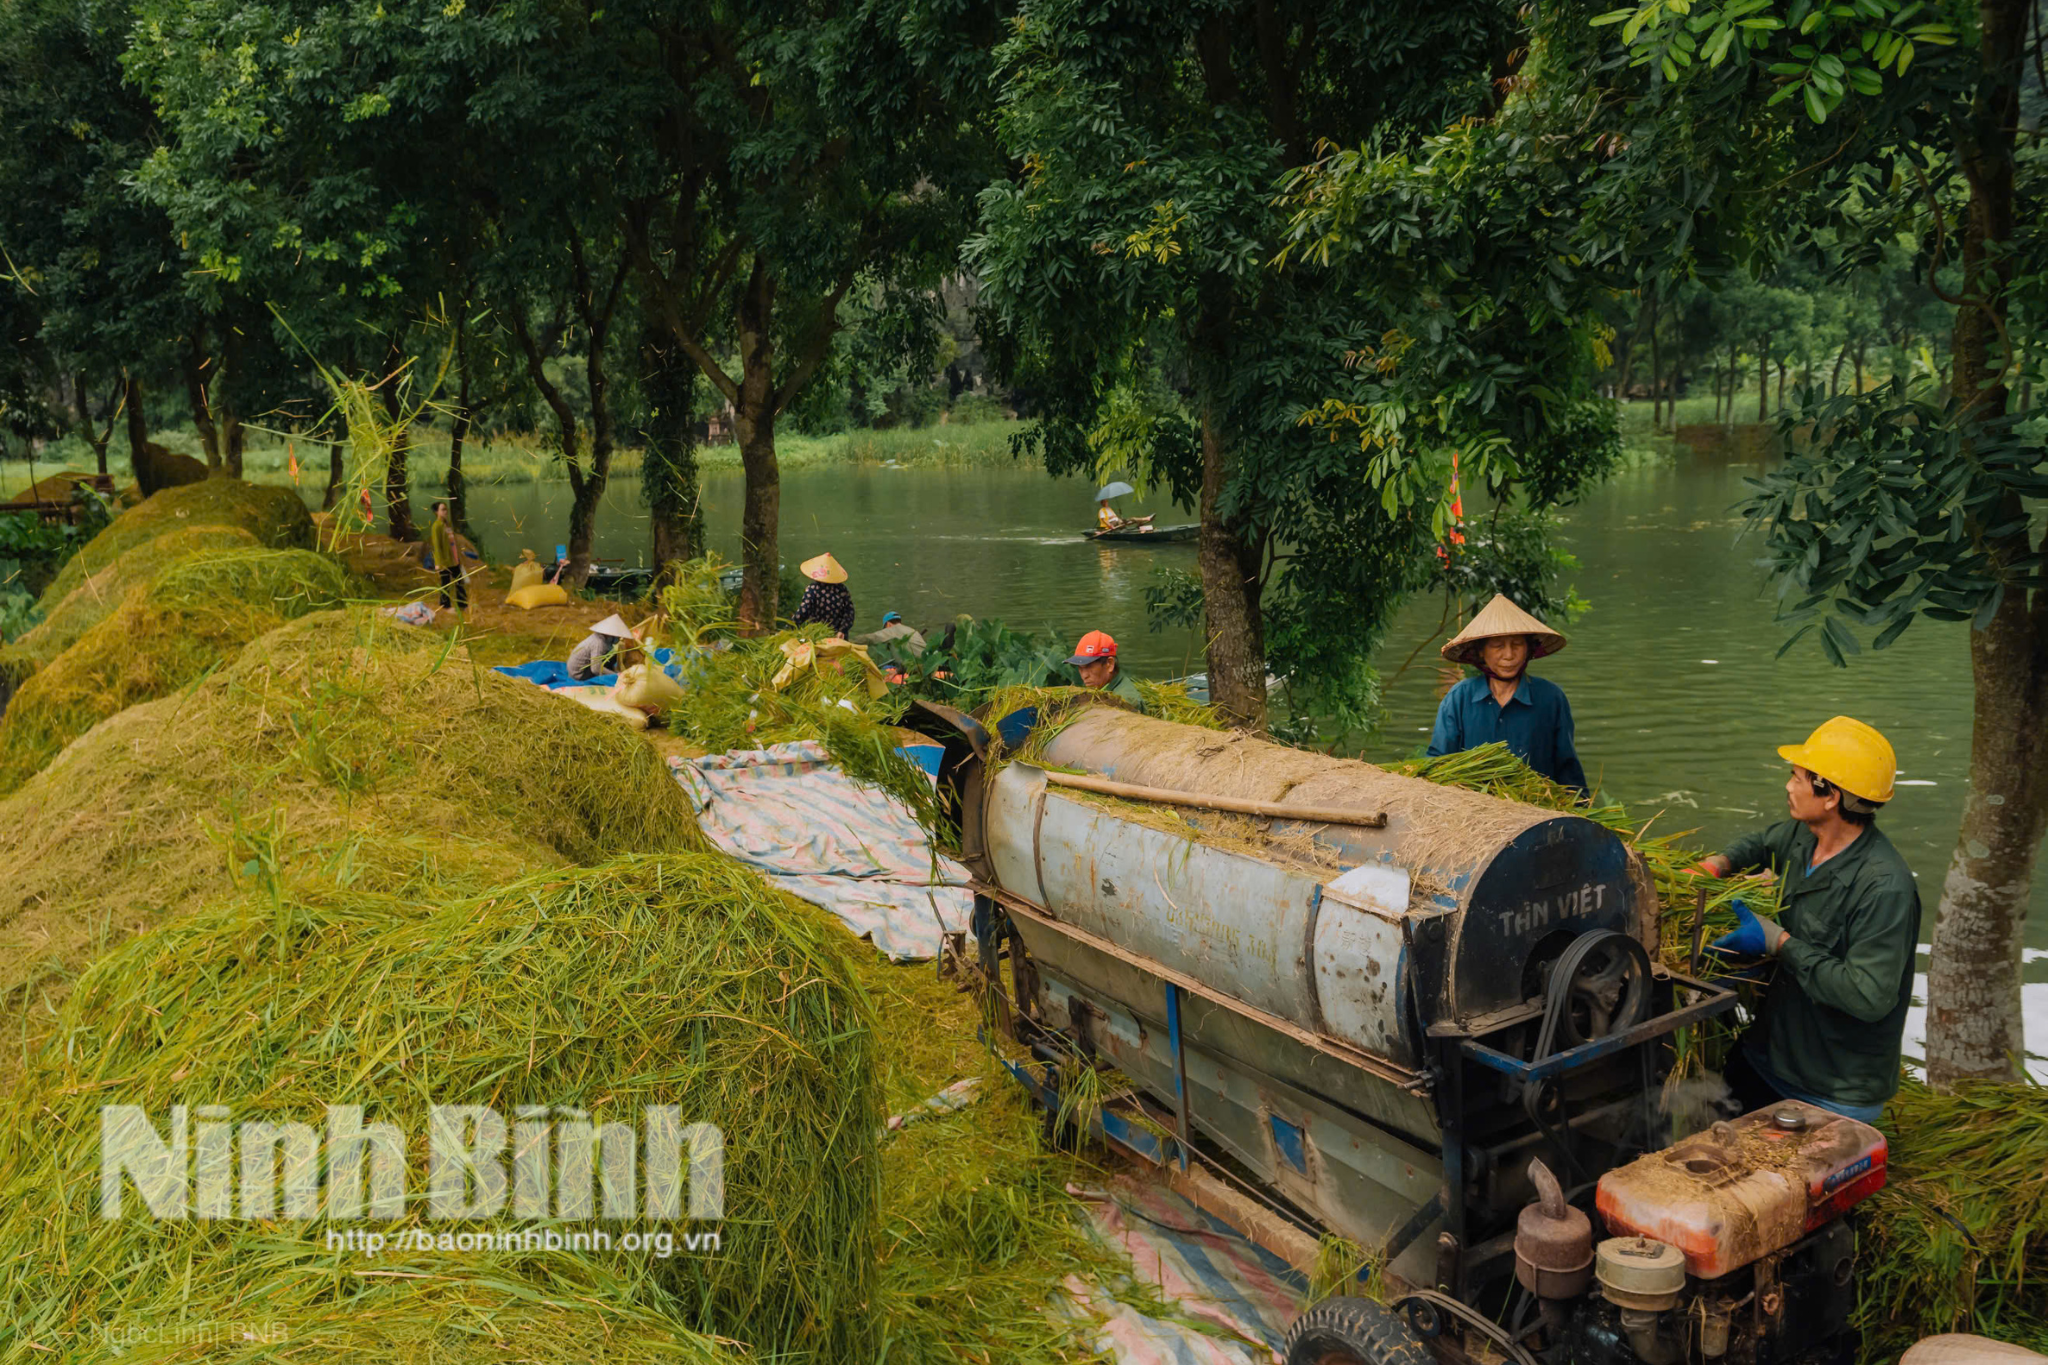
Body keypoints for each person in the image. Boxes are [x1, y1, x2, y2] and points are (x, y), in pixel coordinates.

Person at [1698, 717, 1917, 1122]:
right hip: (1770, 1054)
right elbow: (1762, 843)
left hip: (1831, 1086)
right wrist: (1719, 863)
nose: (1788, 786)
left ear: (1830, 795)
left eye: (1797, 777)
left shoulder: (1884, 888)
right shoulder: (1805, 835)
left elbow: (1867, 996)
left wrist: (1781, 944)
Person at [1427, 594, 1587, 794]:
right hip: (1473, 812)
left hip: (1536, 815)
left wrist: (1581, 815)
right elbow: (1439, 762)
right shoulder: (1460, 698)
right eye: (1498, 646)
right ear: (1481, 652)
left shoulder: (1551, 698)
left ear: (1529, 649)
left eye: (1517, 645)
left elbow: (1568, 769)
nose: (1509, 655)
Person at [791, 552, 855, 637]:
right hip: (838, 636)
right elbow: (849, 612)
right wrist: (842, 630)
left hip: (816, 634)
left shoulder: (813, 589)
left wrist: (791, 626)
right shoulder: (842, 589)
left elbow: (804, 610)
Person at [1069, 629, 1142, 703]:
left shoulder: (1125, 701)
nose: (1084, 676)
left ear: (1109, 664)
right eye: (1080, 668)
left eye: (1089, 667)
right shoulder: (1100, 689)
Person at [567, 614, 638, 682]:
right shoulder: (598, 643)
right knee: (611, 660)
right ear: (609, 635)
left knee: (613, 657)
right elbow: (595, 669)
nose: (618, 639)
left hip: (580, 669)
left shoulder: (600, 639)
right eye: (617, 637)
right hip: (579, 674)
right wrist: (616, 675)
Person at [428, 501, 467, 616]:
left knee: (459, 581)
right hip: (445, 561)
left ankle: (462, 604)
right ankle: (445, 605)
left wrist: (458, 557)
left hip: (453, 559)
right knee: (446, 583)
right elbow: (437, 545)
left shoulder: (447, 524)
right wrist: (439, 562)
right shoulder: (437, 526)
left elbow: (453, 542)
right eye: (442, 509)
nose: (445, 512)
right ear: (436, 512)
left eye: (446, 509)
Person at [856, 610, 926, 656]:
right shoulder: (912, 630)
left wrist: (848, 641)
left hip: (916, 666)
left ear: (888, 624)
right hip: (930, 661)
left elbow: (870, 638)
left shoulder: (891, 630)